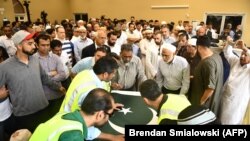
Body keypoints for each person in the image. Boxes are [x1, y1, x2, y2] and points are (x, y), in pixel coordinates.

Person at [0, 30, 65, 133]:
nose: (34, 46)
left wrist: (59, 87)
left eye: (33, 43)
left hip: (43, 108)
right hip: (24, 115)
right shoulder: (5, 67)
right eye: (29, 44)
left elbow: (45, 78)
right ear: (19, 46)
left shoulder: (35, 60)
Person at [60, 56, 124, 141]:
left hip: (64, 116)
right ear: (105, 74)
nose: (114, 76)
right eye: (113, 73)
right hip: (73, 126)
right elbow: (88, 120)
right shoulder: (89, 91)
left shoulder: (85, 73)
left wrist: (108, 105)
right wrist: (112, 137)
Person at [30, 88, 118, 141]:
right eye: (110, 114)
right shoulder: (74, 135)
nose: (109, 117)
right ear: (100, 115)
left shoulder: (64, 115)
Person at [189, 36, 224, 116]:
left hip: (204, 105)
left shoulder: (207, 62)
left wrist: (201, 102)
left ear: (199, 47)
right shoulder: (216, 56)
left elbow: (210, 88)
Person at [219, 39, 250, 124]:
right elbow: (227, 53)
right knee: (220, 120)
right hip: (225, 96)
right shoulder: (236, 61)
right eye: (242, 54)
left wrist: (245, 49)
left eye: (245, 55)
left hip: (236, 103)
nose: (242, 56)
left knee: (231, 122)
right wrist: (230, 43)